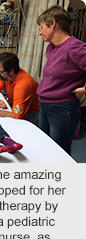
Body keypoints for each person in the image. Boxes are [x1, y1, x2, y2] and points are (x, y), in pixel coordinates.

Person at [36, 5, 85, 155]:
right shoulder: (51, 47)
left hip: (63, 109)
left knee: (59, 154)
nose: (40, 32)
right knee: (45, 147)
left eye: (42, 27)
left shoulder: (75, 48)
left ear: (53, 24)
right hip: (45, 105)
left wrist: (84, 90)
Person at [0, 52, 40, 125]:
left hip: (34, 114)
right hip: (20, 108)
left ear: (11, 71)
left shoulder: (23, 85)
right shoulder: (7, 76)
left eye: (0, 71)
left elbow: (16, 116)